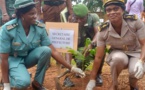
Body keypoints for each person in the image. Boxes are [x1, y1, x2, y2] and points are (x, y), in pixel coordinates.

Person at [0, 0, 85, 90]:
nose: (35, 17)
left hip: (28, 58)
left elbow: (53, 51)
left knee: (46, 50)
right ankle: (10, 78)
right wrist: (6, 85)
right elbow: (4, 59)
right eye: (31, 14)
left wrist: (71, 68)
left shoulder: (39, 27)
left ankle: (37, 83)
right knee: (23, 83)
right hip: (14, 60)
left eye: (35, 13)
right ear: (22, 15)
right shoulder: (8, 29)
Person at [86, 0, 145, 90]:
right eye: (109, 10)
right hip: (118, 52)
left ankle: (133, 85)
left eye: (116, 9)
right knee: (118, 58)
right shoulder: (103, 30)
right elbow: (98, 57)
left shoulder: (135, 22)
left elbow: (144, 44)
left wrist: (141, 61)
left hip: (135, 52)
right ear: (106, 13)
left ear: (123, 10)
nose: (112, 12)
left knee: (135, 71)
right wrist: (92, 79)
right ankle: (114, 84)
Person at [72, 4, 104, 86]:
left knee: (101, 49)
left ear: (87, 14)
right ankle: (80, 68)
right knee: (80, 62)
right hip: (79, 47)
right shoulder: (71, 19)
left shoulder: (94, 17)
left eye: (82, 18)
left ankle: (98, 74)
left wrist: (91, 44)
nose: (79, 20)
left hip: (92, 45)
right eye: (77, 18)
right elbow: (69, 39)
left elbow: (98, 33)